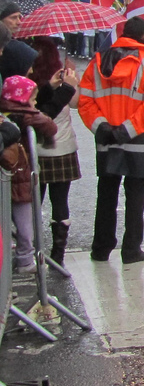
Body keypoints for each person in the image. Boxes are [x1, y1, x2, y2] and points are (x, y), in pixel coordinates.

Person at [78, 16, 144, 263]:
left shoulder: (98, 61)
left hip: (107, 138)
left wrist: (102, 127)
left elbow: (85, 101)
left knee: (106, 194)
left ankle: (101, 248)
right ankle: (131, 250)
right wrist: (126, 130)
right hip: (139, 139)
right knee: (135, 196)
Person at [29, 37, 83, 265]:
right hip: (62, 149)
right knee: (60, 201)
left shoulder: (30, 84)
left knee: (34, 201)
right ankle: (58, 253)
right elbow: (75, 103)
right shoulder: (60, 83)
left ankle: (31, 247)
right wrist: (73, 81)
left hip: (36, 150)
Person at [1, 74, 59, 272]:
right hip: (21, 174)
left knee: (7, 217)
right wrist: (33, 110)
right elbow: (51, 127)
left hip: (8, 174)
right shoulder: (27, 114)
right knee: (24, 221)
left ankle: (9, 255)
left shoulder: (4, 112)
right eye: (33, 99)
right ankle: (25, 258)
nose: (35, 103)